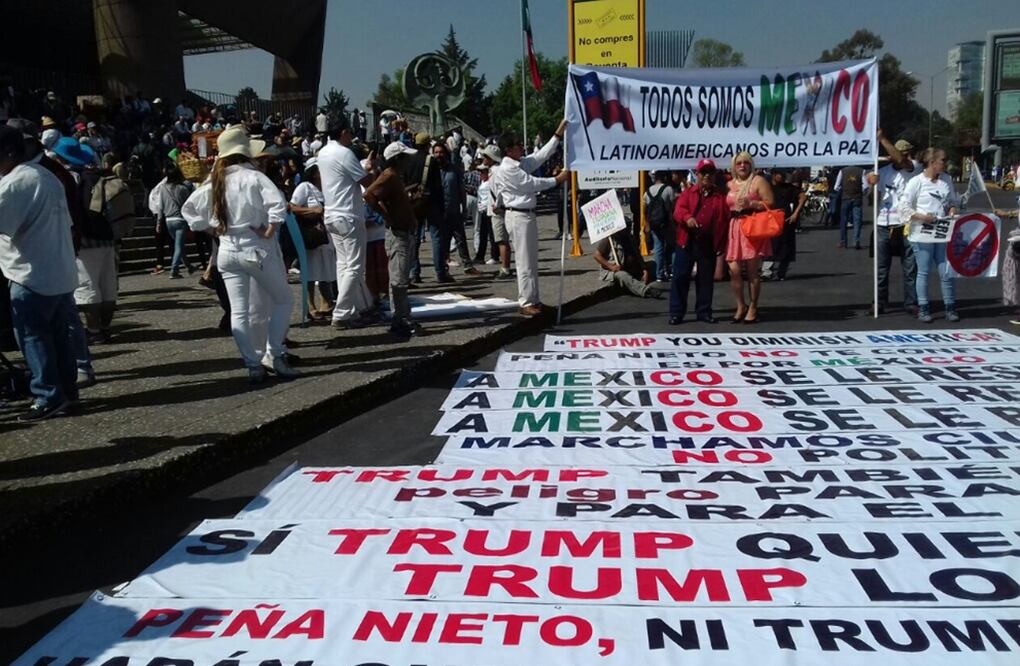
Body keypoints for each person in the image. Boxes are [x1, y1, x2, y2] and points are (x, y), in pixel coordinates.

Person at [181, 126, 298, 383]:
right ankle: (275, 353)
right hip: (253, 247)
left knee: (238, 311)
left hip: (227, 249)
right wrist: (269, 230)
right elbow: (278, 205)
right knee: (284, 300)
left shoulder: (215, 180)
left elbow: (189, 211)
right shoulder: (253, 177)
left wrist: (212, 229)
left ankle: (252, 363)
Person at [0, 125, 80, 420]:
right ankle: (68, 392)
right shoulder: (47, 176)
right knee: (59, 337)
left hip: (31, 273)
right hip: (59, 269)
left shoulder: (16, 183)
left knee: (34, 338)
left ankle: (47, 395)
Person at [491, 122, 571, 316]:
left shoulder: (519, 163)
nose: (522, 146)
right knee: (524, 261)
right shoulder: (507, 169)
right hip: (518, 215)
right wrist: (558, 180)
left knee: (532, 260)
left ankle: (534, 299)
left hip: (526, 214)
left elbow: (540, 156)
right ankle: (526, 301)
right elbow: (531, 184)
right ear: (508, 150)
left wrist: (557, 135)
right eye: (518, 144)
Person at [317, 121, 377, 328]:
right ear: (343, 132)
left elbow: (343, 176)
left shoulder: (323, 152)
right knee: (354, 267)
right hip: (348, 214)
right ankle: (342, 312)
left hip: (332, 213)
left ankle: (351, 308)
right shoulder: (345, 153)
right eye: (350, 132)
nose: (351, 136)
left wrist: (363, 168)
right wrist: (371, 170)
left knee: (343, 265)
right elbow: (366, 182)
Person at [364, 141, 422, 338]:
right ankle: (401, 319)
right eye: (405, 157)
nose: (408, 161)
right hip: (398, 232)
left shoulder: (394, 176)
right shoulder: (389, 176)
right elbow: (369, 194)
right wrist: (385, 215)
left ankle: (401, 317)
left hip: (402, 230)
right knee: (398, 279)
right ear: (397, 159)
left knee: (399, 277)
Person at [898, 147, 960, 323]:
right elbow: (904, 207)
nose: (945, 163)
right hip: (922, 233)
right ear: (932, 163)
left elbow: (952, 201)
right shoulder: (916, 182)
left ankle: (950, 306)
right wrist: (922, 217)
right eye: (942, 160)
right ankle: (923, 308)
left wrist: (952, 209)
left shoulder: (946, 180)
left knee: (945, 271)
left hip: (942, 232)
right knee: (923, 271)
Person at [866, 132, 922, 315]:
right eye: (903, 153)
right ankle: (880, 302)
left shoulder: (913, 167)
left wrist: (882, 138)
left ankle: (911, 302)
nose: (906, 157)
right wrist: (872, 186)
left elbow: (902, 160)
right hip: (884, 224)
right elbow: (873, 200)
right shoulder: (882, 172)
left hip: (907, 225)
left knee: (910, 268)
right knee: (882, 268)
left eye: (908, 153)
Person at [670, 159, 729, 324]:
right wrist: (687, 217)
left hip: (708, 242)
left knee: (705, 279)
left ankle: (704, 311)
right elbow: (678, 210)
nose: (707, 176)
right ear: (697, 174)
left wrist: (721, 244)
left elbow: (724, 220)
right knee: (681, 276)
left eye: (710, 173)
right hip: (687, 241)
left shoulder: (719, 197)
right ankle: (676, 312)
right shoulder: (689, 193)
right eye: (703, 172)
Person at [725, 151, 774, 324]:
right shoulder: (729, 184)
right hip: (733, 228)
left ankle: (753, 306)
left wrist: (752, 203)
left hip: (752, 227)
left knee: (753, 271)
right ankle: (740, 305)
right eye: (739, 163)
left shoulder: (758, 181)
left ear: (751, 164)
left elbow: (770, 202)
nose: (742, 165)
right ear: (734, 165)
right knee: (734, 271)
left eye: (746, 162)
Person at [289, 158, 337, 318]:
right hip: (313, 235)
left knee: (326, 268)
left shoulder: (326, 188)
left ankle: (326, 302)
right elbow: (292, 207)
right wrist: (312, 211)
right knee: (310, 271)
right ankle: (310, 305)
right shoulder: (305, 187)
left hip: (327, 235)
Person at [593, 227, 664, 299]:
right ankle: (646, 291)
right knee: (622, 275)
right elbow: (596, 255)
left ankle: (634, 284)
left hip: (631, 268)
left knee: (653, 264)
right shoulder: (609, 239)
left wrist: (644, 269)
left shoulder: (630, 238)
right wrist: (610, 266)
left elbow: (638, 255)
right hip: (614, 270)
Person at [761, 169, 805, 281]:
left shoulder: (789, 188)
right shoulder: (767, 187)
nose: (783, 177)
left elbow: (803, 197)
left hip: (786, 221)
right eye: (780, 175)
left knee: (786, 247)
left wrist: (795, 213)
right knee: (770, 246)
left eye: (784, 175)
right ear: (774, 175)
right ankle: (766, 272)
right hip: (770, 221)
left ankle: (782, 273)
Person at [479, 144, 513, 280]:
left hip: (497, 210)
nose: (483, 158)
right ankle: (505, 266)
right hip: (497, 208)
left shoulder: (496, 171)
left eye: (485, 156)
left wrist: (497, 204)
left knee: (501, 240)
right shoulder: (495, 170)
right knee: (501, 239)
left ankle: (505, 268)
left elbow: (500, 189)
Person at [644, 171, 676, 281]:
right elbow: (672, 206)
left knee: (658, 248)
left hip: (654, 224)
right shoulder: (668, 189)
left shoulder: (647, 192)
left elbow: (645, 209)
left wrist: (647, 224)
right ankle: (671, 271)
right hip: (667, 222)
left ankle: (659, 274)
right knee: (671, 246)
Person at [834, 163, 864, 249]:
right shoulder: (861, 171)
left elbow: (836, 187)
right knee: (857, 220)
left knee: (844, 220)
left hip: (846, 198)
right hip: (857, 198)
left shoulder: (842, 171)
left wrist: (843, 190)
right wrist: (860, 191)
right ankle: (856, 240)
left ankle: (843, 241)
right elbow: (865, 186)